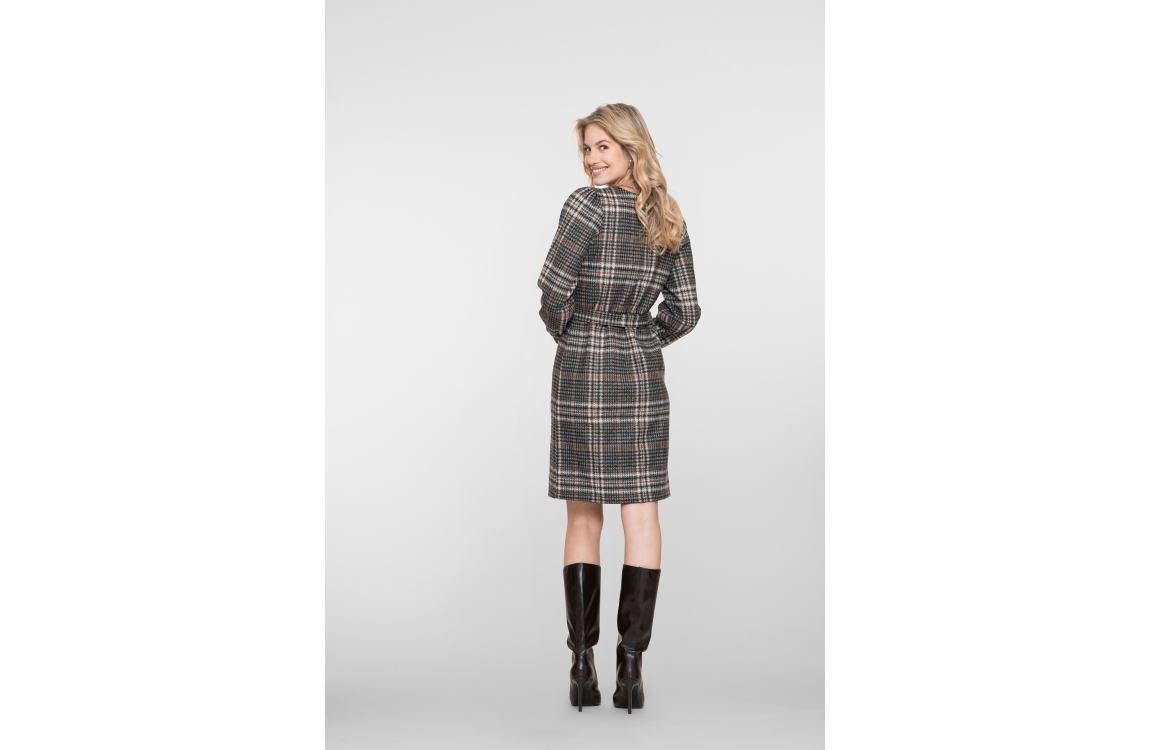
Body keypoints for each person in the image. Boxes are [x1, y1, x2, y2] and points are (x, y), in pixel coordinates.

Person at [536, 103, 702, 713]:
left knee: (585, 517)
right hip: (640, 373)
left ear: (633, 147)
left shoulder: (584, 206)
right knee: (642, 515)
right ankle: (630, 670)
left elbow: (553, 290)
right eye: (587, 149)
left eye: (603, 146)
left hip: (582, 368)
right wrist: (638, 339)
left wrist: (576, 333)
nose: (591, 159)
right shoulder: (667, 214)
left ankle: (582, 665)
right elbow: (686, 310)